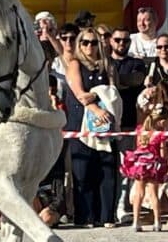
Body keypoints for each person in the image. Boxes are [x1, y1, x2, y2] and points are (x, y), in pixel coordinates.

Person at [64, 27, 118, 228]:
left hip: (105, 125)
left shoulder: (107, 65)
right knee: (83, 171)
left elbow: (113, 91)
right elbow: (80, 93)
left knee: (106, 170)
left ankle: (106, 216)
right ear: (79, 45)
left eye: (94, 42)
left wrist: (95, 95)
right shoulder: (74, 64)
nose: (89, 46)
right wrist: (96, 107)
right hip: (81, 124)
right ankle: (85, 216)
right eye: (85, 42)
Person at [108, 26, 146, 223]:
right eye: (117, 40)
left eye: (125, 40)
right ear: (110, 41)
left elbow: (134, 80)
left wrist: (113, 79)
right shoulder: (104, 62)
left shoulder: (137, 63)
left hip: (129, 123)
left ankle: (122, 207)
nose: (121, 43)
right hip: (106, 123)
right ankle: (108, 208)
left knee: (126, 168)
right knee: (107, 167)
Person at [120, 113, 168, 232]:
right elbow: (163, 154)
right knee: (153, 194)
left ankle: (136, 222)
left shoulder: (140, 131)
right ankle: (157, 222)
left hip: (140, 164)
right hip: (152, 165)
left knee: (138, 193)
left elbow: (138, 146)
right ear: (158, 122)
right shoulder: (160, 134)